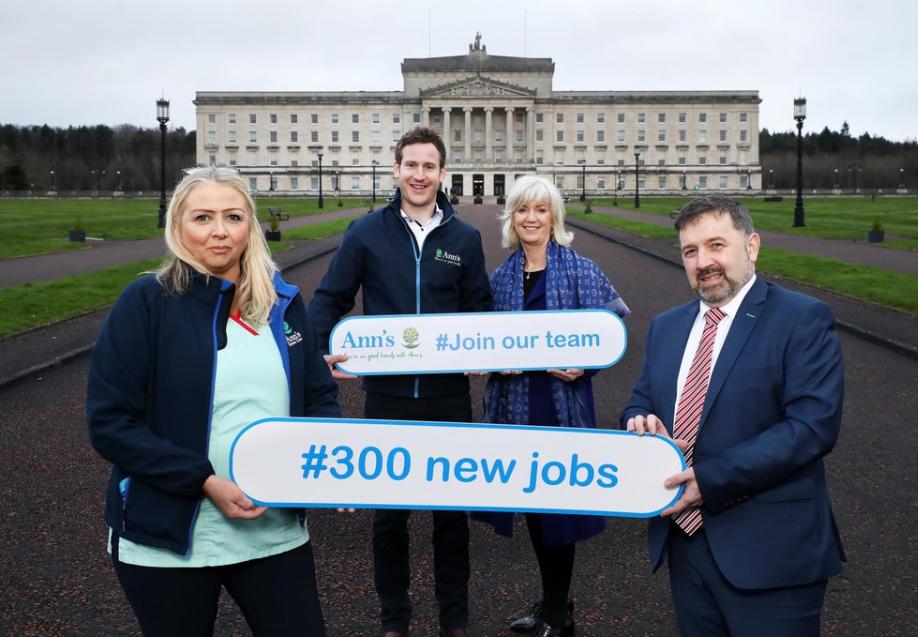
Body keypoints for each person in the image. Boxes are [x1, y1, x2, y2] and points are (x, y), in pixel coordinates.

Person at [87, 166, 339, 636]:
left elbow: (318, 396)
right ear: (178, 226)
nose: (220, 231)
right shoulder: (147, 300)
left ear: (251, 224)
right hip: (170, 538)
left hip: (273, 531)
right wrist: (202, 479)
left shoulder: (283, 302)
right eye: (203, 218)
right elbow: (110, 423)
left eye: (233, 216)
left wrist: (326, 465)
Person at [621, 195, 845, 636]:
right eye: (690, 251)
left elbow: (811, 429)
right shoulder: (666, 326)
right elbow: (638, 402)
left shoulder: (802, 318)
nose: (704, 261)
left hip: (770, 550)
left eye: (716, 245)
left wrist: (710, 480)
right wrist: (638, 422)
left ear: (752, 246)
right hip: (685, 548)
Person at [308, 126, 492, 637]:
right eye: (410, 165)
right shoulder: (366, 231)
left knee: (451, 516)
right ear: (396, 170)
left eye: (428, 166)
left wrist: (485, 349)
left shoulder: (464, 238)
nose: (419, 174)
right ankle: (395, 619)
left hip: (447, 396)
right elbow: (329, 297)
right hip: (386, 396)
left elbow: (479, 309)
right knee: (389, 517)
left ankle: (454, 620)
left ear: (442, 174)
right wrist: (320, 348)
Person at [476, 176, 629, 637]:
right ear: (512, 218)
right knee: (537, 511)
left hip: (560, 405)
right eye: (523, 210)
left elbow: (616, 324)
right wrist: (493, 363)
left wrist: (587, 366)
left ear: (554, 217)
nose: (531, 218)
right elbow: (485, 341)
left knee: (559, 512)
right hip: (516, 407)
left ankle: (559, 615)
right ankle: (553, 605)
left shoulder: (581, 269)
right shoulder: (501, 278)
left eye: (541, 210)